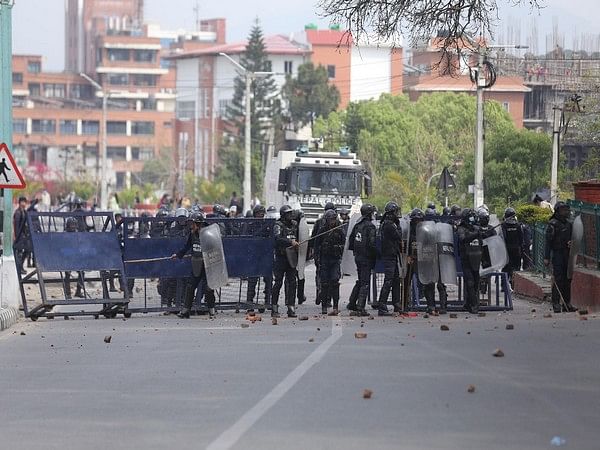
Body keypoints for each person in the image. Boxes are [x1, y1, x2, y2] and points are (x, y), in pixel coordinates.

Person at [171, 212, 216, 318]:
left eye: (193, 223)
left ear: (198, 224)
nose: (191, 226)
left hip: (208, 265)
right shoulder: (192, 234)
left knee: (209, 288)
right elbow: (187, 246)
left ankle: (212, 310)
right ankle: (186, 311)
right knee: (190, 287)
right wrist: (177, 255)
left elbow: (215, 250)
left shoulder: (209, 235)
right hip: (196, 264)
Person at [544, 202, 577, 313]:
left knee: (568, 279)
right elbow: (548, 242)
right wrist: (546, 257)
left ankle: (567, 304)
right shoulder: (552, 224)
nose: (565, 212)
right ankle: (556, 304)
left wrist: (571, 243)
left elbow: (574, 239)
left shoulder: (569, 224)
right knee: (558, 279)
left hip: (567, 254)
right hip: (557, 254)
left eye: (566, 210)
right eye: (563, 210)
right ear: (558, 211)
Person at [347, 204, 377, 317]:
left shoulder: (357, 225)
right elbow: (372, 244)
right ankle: (360, 308)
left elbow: (351, 242)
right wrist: (376, 255)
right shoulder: (370, 227)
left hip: (358, 257)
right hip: (366, 258)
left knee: (360, 280)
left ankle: (352, 303)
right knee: (365, 283)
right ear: (369, 214)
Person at [313, 209, 345, 315]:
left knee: (335, 282)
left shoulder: (339, 230)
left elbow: (344, 243)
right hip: (325, 259)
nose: (332, 222)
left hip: (335, 259)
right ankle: (324, 306)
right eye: (330, 220)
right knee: (324, 283)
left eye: (334, 219)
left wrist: (338, 248)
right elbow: (316, 245)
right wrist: (317, 259)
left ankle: (335, 306)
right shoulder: (322, 230)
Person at [271, 205, 299, 318]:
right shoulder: (278, 225)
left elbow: (298, 238)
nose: (290, 216)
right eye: (288, 214)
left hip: (291, 257)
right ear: (283, 215)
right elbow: (277, 239)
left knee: (292, 282)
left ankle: (291, 307)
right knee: (278, 282)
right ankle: (274, 307)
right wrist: (290, 242)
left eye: (291, 213)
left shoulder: (295, 225)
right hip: (281, 258)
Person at [375, 201, 403, 316]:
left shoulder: (387, 223)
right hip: (389, 256)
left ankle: (396, 304)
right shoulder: (389, 225)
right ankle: (382, 305)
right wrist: (399, 225)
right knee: (388, 281)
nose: (397, 214)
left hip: (392, 255)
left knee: (395, 280)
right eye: (396, 212)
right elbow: (398, 236)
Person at [309, 202, 336, 305]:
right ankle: (327, 298)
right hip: (325, 253)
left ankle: (320, 293)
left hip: (322, 253)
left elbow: (313, 238)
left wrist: (313, 252)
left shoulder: (319, 222)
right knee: (329, 277)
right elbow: (315, 239)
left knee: (320, 275)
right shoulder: (332, 223)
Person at [457, 208, 483, 314]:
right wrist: (475, 235)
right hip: (466, 259)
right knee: (470, 282)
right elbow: (463, 239)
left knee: (476, 282)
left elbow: (482, 243)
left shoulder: (476, 228)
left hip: (476, 258)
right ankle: (474, 305)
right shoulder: (461, 228)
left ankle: (468, 304)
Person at [246, 205, 272, 310]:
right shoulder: (250, 225)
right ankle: (249, 303)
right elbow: (246, 239)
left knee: (268, 279)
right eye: (259, 213)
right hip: (254, 256)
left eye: (262, 213)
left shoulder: (267, 225)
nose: (261, 215)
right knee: (252, 280)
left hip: (265, 255)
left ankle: (268, 301)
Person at [501, 207, 524, 289]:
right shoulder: (518, 225)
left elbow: (502, 237)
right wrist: (521, 248)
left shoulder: (503, 225)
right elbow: (521, 238)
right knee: (516, 267)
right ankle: (513, 284)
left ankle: (504, 285)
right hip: (516, 249)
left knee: (506, 267)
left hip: (506, 249)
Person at [63, 217, 85, 298]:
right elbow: (62, 248)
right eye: (71, 225)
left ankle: (78, 291)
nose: (73, 227)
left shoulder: (78, 235)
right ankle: (68, 293)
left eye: (74, 225)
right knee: (67, 275)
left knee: (82, 273)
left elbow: (81, 245)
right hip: (67, 257)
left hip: (76, 257)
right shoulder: (65, 235)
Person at [13, 196, 30, 275]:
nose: (23, 203)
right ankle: (19, 268)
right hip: (19, 236)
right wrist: (16, 236)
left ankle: (21, 267)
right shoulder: (18, 212)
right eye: (22, 202)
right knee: (19, 253)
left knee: (27, 251)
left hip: (24, 236)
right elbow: (16, 226)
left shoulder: (24, 211)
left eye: (24, 202)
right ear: (19, 203)